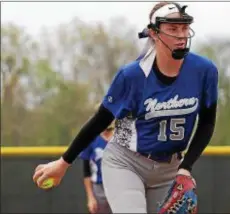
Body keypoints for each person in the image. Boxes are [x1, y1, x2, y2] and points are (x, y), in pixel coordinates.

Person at [33, 1, 218, 213]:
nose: (181, 35)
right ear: (153, 33)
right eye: (172, 28)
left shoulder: (204, 71)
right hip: (126, 163)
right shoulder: (132, 76)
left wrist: (185, 169)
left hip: (171, 168)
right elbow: (100, 121)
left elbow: (207, 122)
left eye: (184, 27)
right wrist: (64, 163)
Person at [79, 108, 114, 214]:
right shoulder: (92, 138)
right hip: (99, 187)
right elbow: (86, 172)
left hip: (118, 185)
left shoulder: (121, 137)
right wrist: (90, 197)